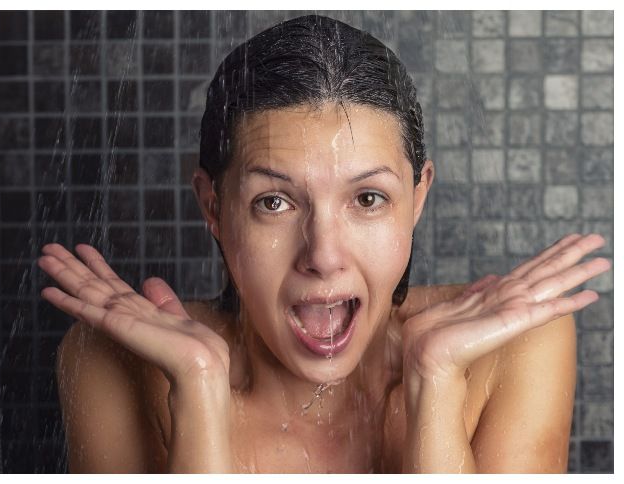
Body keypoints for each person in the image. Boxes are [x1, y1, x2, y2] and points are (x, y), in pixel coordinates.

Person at [38, 15, 610, 473]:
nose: (324, 255)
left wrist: (435, 384)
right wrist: (198, 392)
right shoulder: (117, 359)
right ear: (213, 207)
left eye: (367, 199)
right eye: (274, 202)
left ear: (417, 198)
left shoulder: (511, 347)